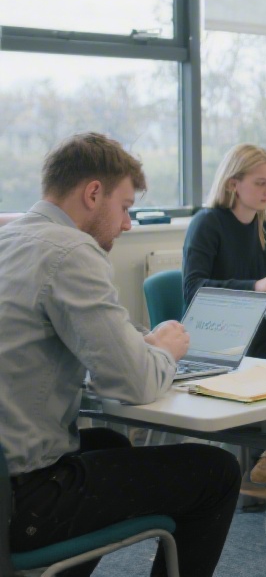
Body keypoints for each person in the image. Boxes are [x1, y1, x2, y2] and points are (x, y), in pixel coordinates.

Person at [0, 133, 241, 576]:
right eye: (125, 207)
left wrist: (136, 346)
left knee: (108, 444)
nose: (128, 224)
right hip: (23, 503)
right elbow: (134, 385)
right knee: (218, 472)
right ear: (93, 193)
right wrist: (165, 351)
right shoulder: (71, 252)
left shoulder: (10, 238)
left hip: (9, 480)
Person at [182, 144, 266, 500]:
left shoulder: (263, 223)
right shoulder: (207, 223)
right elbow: (194, 289)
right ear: (234, 183)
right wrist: (254, 285)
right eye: (260, 183)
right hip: (217, 335)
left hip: (255, 329)